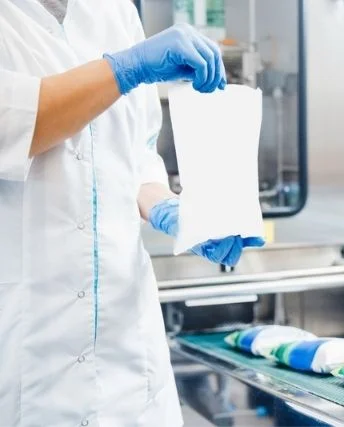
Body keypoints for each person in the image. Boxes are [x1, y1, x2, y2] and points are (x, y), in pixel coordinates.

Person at [0, 0, 264, 425]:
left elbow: (134, 153)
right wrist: (124, 69)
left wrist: (172, 210)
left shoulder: (114, 9)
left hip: (128, 365)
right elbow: (15, 121)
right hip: (26, 363)